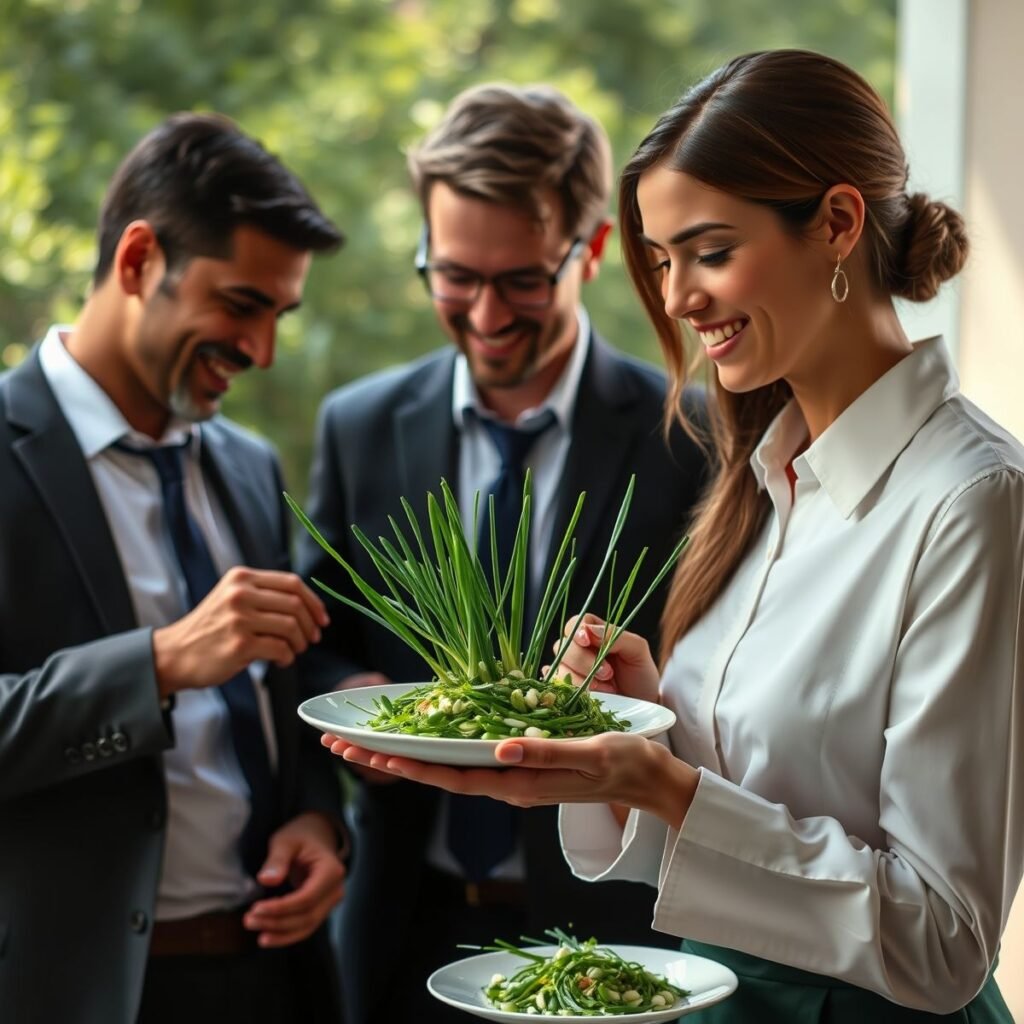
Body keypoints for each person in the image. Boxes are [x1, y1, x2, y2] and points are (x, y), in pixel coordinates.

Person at [324, 50, 1024, 1022]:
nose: (679, 297)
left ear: (835, 223)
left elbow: (942, 938)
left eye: (708, 250)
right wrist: (636, 720)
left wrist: (668, 784)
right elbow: (740, 822)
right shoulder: (765, 479)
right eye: (660, 259)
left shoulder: (972, 497)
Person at [298, 83, 710, 1024]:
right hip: (403, 926)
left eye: (521, 279)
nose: (485, 314)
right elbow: (315, 636)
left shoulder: (696, 437)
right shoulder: (359, 425)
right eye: (452, 276)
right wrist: (358, 698)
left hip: (611, 936)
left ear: (593, 248)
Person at [0, 113, 348, 1024]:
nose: (263, 352)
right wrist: (155, 663)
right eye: (241, 305)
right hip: (78, 991)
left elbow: (280, 698)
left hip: (276, 980)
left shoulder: (249, 464)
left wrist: (320, 820)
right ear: (139, 259)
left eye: (279, 315)